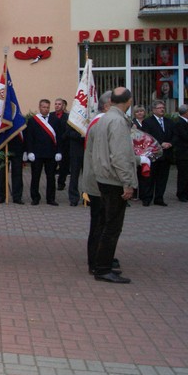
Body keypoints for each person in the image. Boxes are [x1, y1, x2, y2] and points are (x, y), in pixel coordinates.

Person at [86, 87, 138, 283]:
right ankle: (102, 268)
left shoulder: (105, 119)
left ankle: (101, 265)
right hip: (113, 180)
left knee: (106, 225)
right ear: (129, 101)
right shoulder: (116, 121)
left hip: (103, 177)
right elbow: (119, 155)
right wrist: (127, 182)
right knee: (112, 226)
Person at [79, 91, 116, 275]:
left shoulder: (99, 121)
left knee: (102, 222)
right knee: (100, 223)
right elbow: (107, 154)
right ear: (108, 105)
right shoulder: (101, 123)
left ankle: (102, 257)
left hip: (99, 179)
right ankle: (97, 261)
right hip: (99, 181)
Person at [25, 99, 63, 206]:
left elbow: (59, 137)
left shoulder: (55, 120)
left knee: (51, 177)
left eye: (47, 107)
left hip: (51, 153)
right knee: (35, 177)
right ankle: (35, 197)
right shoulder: (33, 120)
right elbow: (29, 137)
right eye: (43, 107)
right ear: (39, 107)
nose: (45, 109)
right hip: (37, 154)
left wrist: (59, 152)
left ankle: (51, 198)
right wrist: (29, 152)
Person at [140, 100, 174, 206]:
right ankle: (147, 198)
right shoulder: (147, 122)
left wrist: (170, 143)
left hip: (166, 154)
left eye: (163, 107)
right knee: (150, 178)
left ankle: (159, 198)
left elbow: (175, 135)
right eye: (159, 107)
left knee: (162, 178)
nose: (162, 109)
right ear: (154, 110)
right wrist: (160, 143)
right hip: (153, 155)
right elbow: (146, 137)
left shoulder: (169, 122)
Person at [0, 132, 25, 204]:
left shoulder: (19, 120)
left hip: (18, 148)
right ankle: (0, 196)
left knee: (17, 174)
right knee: (2, 174)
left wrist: (25, 150)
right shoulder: (3, 120)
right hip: (4, 148)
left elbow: (25, 133)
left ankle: (17, 197)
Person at [172, 104, 188, 202]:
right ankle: (181, 193)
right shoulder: (179, 123)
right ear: (186, 111)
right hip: (183, 153)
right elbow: (185, 137)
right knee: (183, 175)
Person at [53, 97, 70, 190]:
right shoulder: (51, 116)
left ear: (63, 106)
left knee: (63, 165)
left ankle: (61, 182)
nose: (57, 106)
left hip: (64, 144)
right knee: (52, 164)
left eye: (59, 104)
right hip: (53, 144)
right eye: (56, 104)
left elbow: (68, 130)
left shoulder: (67, 117)